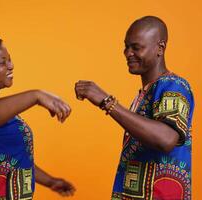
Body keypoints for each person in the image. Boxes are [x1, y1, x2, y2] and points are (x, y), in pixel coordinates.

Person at [75, 16, 194, 200]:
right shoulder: (145, 93)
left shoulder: (174, 85)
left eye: (136, 47)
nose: (128, 53)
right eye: (126, 46)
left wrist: (107, 102)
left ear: (160, 49)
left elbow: (167, 138)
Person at [0, 34, 75, 200]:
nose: (11, 66)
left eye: (10, 60)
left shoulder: (0, 108)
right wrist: (35, 95)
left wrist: (50, 181)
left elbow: (13, 158)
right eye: (3, 62)